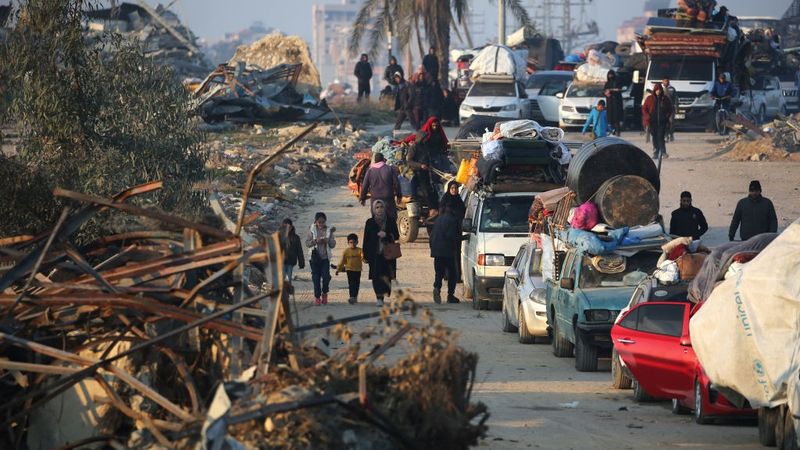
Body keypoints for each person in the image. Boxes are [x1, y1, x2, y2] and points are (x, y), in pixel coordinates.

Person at [406, 116, 448, 213]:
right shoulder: (414, 147)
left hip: (427, 170)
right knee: (426, 190)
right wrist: (420, 165)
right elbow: (410, 161)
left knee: (433, 189)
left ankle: (437, 207)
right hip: (417, 171)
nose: (426, 140)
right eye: (424, 138)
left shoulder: (425, 146)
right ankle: (431, 209)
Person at [362, 200, 399, 307]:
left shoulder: (391, 221)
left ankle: (385, 292)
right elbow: (366, 239)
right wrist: (365, 254)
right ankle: (379, 298)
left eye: (381, 207)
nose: (379, 209)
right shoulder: (370, 222)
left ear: (384, 208)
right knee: (376, 276)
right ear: (374, 209)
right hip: (374, 253)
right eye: (377, 207)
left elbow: (396, 236)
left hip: (388, 253)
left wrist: (386, 234)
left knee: (387, 275)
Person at [429, 205, 461, 304]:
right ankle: (450, 295)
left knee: (439, 273)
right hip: (448, 252)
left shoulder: (438, 219)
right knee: (453, 274)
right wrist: (462, 239)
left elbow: (432, 236)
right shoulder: (453, 220)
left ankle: (437, 288)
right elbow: (452, 236)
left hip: (437, 252)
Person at [305, 212, 337, 305]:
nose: (321, 224)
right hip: (314, 259)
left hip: (325, 258)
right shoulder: (312, 230)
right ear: (316, 221)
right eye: (319, 222)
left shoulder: (328, 230)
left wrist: (328, 240)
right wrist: (315, 241)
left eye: (323, 222)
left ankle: (325, 293)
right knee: (316, 278)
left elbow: (333, 244)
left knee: (326, 277)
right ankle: (317, 297)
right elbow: (307, 243)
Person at [359, 152, 401, 219]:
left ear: (375, 161)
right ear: (383, 160)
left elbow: (365, 186)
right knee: (391, 218)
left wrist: (362, 198)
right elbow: (397, 183)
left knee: (376, 218)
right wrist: (399, 196)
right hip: (388, 198)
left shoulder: (370, 171)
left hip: (375, 198)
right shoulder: (390, 169)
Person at [642, 82, 673, 159]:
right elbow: (644, 108)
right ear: (654, 90)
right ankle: (656, 152)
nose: (658, 91)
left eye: (659, 90)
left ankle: (663, 152)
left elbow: (670, 109)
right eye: (657, 90)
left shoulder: (665, 99)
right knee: (654, 137)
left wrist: (667, 116)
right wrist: (647, 117)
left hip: (662, 122)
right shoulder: (650, 99)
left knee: (660, 137)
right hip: (652, 122)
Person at [335, 233, 363, 305]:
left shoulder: (360, 250)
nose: (352, 244)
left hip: (358, 270)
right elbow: (342, 261)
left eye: (354, 242)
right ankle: (351, 297)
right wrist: (338, 269)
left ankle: (355, 297)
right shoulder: (346, 251)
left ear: (357, 242)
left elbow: (363, 258)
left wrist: (366, 260)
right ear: (348, 243)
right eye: (351, 242)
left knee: (356, 284)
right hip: (349, 270)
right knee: (351, 284)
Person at [279, 218, 305, 282]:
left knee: (288, 278)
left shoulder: (296, 238)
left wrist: (301, 262)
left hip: (291, 261)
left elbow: (299, 251)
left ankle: (287, 291)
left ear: (291, 227)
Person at [604, 70, 624, 135]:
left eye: (611, 75)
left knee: (616, 119)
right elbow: (604, 90)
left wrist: (611, 90)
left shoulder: (617, 82)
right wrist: (606, 93)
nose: (610, 76)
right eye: (609, 75)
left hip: (616, 103)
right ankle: (613, 131)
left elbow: (618, 90)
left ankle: (618, 131)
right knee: (610, 119)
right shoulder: (607, 83)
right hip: (609, 103)